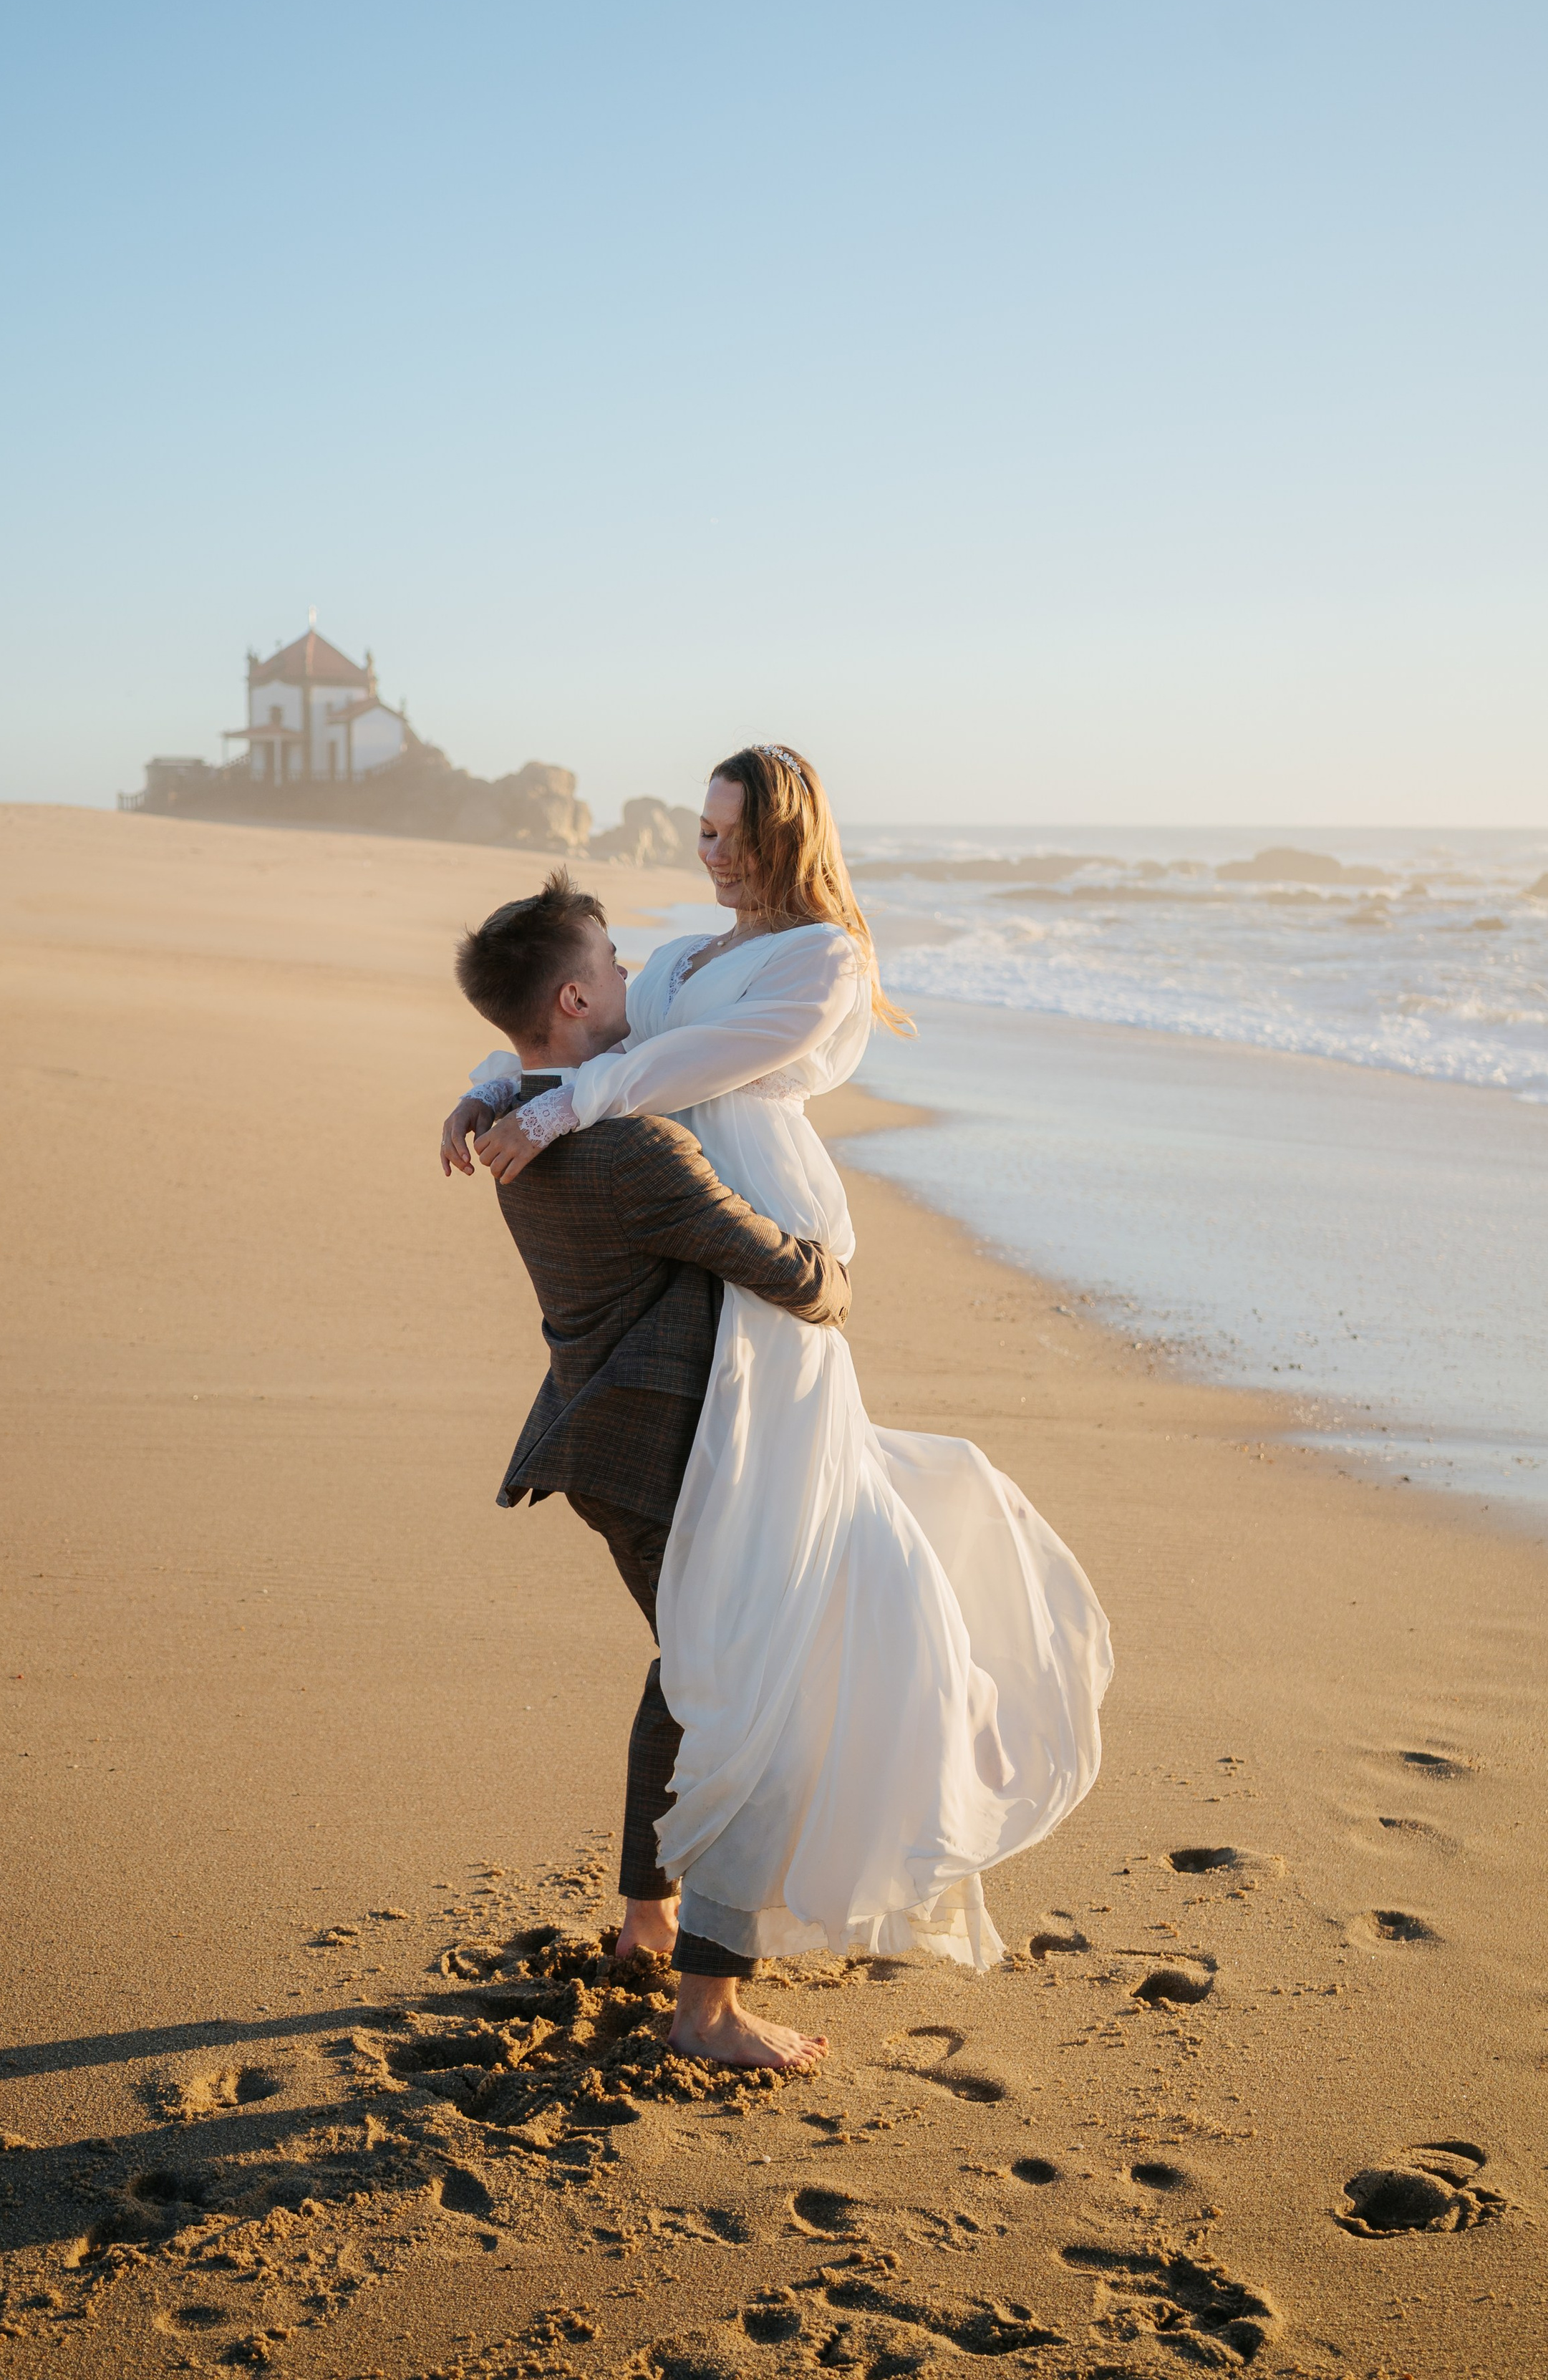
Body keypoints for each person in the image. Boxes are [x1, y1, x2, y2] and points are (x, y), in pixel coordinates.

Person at [445, 743, 1113, 2003]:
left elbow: (666, 1064)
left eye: (731, 832)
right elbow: (583, 1026)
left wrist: (554, 1103)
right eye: (700, 828)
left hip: (748, 1277)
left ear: (787, 834)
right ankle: (701, 1982)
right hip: (731, 1285)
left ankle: (662, 1926)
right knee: (764, 1651)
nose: (710, 851)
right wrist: (494, 1087)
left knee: (726, 1639)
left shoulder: (821, 961)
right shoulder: (688, 964)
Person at [447, 869, 850, 2071]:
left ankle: (644, 1923)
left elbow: (534, 1082)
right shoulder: (632, 1151)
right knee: (758, 1714)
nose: (635, 977)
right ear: (575, 996)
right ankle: (708, 2011)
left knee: (689, 1681)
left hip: (603, 1451)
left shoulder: (518, 1109)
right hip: (667, 1460)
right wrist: (831, 1264)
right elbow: (800, 1280)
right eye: (616, 963)